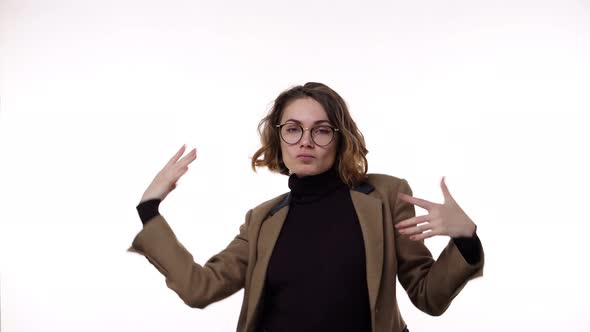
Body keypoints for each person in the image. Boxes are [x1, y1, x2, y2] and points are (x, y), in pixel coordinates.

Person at [128, 82, 484, 332]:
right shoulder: (262, 219)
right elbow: (199, 288)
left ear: (340, 137)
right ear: (278, 138)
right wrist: (150, 210)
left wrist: (466, 239)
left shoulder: (385, 196)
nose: (306, 142)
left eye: (322, 130)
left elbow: (428, 297)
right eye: (293, 129)